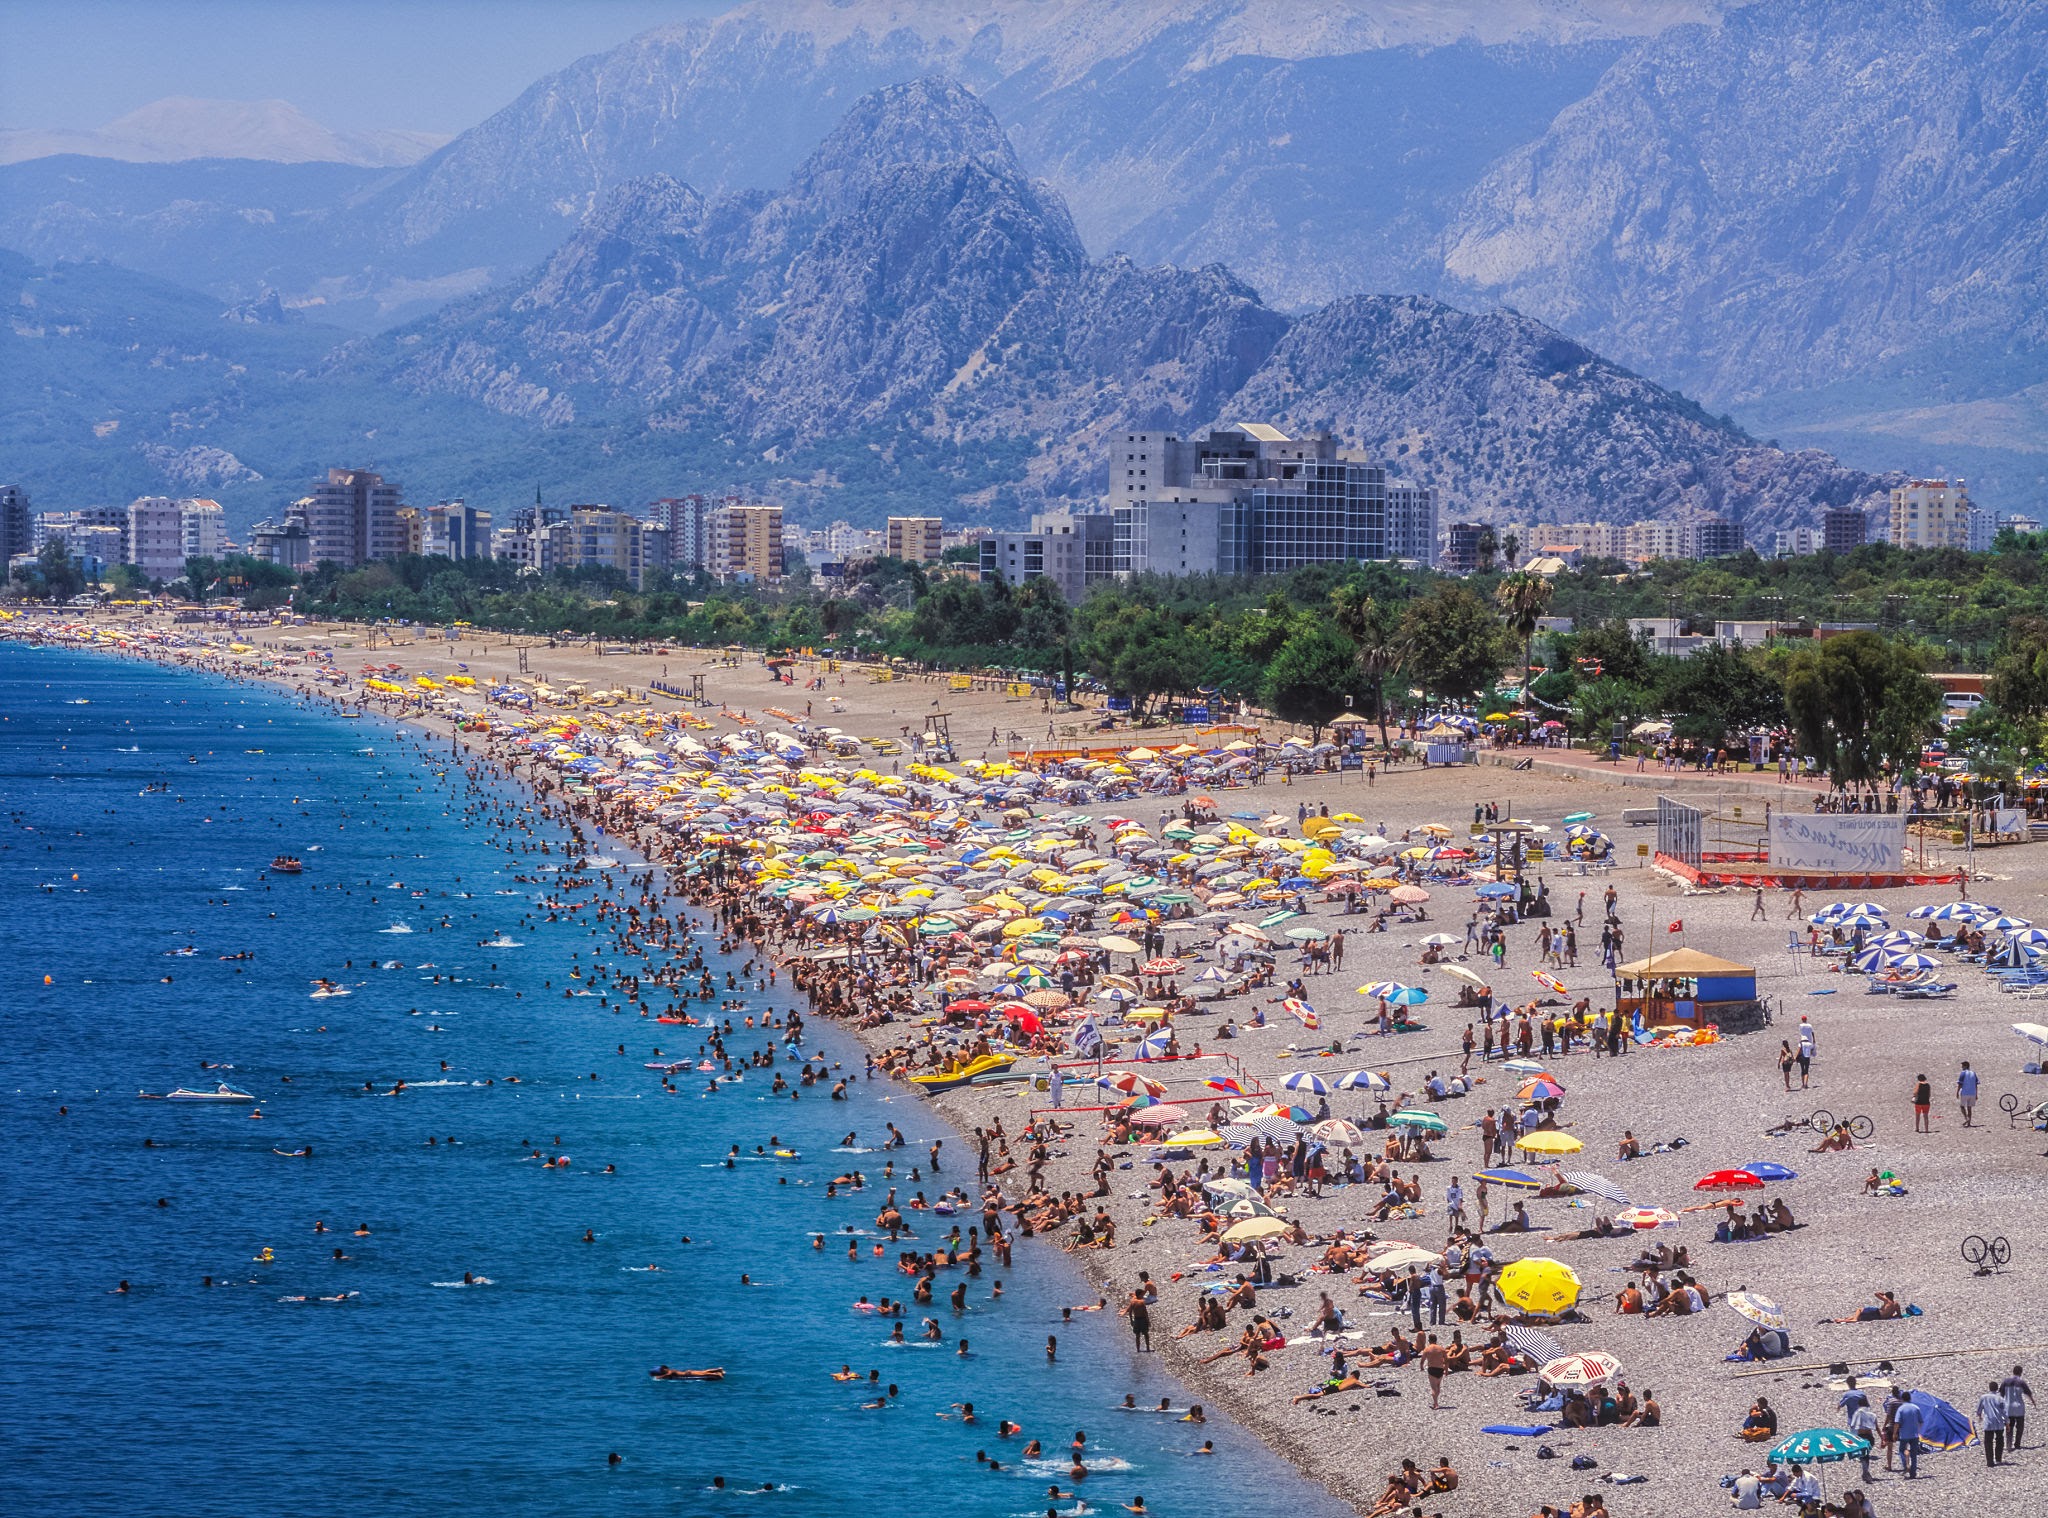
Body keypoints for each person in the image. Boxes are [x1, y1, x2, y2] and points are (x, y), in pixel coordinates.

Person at [1976, 1379, 2009, 1466]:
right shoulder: (2000, 1398)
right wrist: (2007, 1422)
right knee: (1999, 1440)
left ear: (1989, 1388)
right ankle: (1998, 1458)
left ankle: (1990, 1461)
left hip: (1989, 1422)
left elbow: (1979, 1409)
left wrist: (1980, 1416)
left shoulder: (1983, 1397)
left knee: (1988, 1442)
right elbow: (2005, 1412)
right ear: (1997, 1388)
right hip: (1999, 1422)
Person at [2001, 1364, 2034, 1447]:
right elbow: (2028, 1393)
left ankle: (2009, 1444)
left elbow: (2001, 1394)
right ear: (2020, 1372)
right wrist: (2033, 1402)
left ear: (2013, 1371)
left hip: (2008, 1407)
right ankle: (2017, 1443)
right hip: (2019, 1408)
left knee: (2009, 1426)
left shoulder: (2006, 1381)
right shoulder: (2021, 1382)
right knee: (2020, 1427)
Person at [1894, 1389, 1925, 1478]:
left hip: (1904, 1434)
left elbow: (1897, 1422)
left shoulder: (1901, 1409)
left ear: (1902, 1399)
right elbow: (1921, 1422)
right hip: (1914, 1434)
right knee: (1914, 1454)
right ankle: (1913, 1473)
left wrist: (1895, 1433)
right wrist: (1918, 1431)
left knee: (1901, 1450)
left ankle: (1905, 1465)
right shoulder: (1916, 1408)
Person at [1957, 1060, 1980, 1127]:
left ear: (1965, 1066)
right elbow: (1976, 1084)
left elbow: (1960, 1084)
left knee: (1962, 1107)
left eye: (1962, 1066)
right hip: (1972, 1093)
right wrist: (1976, 1094)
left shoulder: (1963, 1073)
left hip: (1965, 1092)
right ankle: (1969, 1123)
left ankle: (1966, 1118)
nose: (1962, 1067)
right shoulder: (1973, 1073)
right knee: (1969, 1108)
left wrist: (1957, 1092)